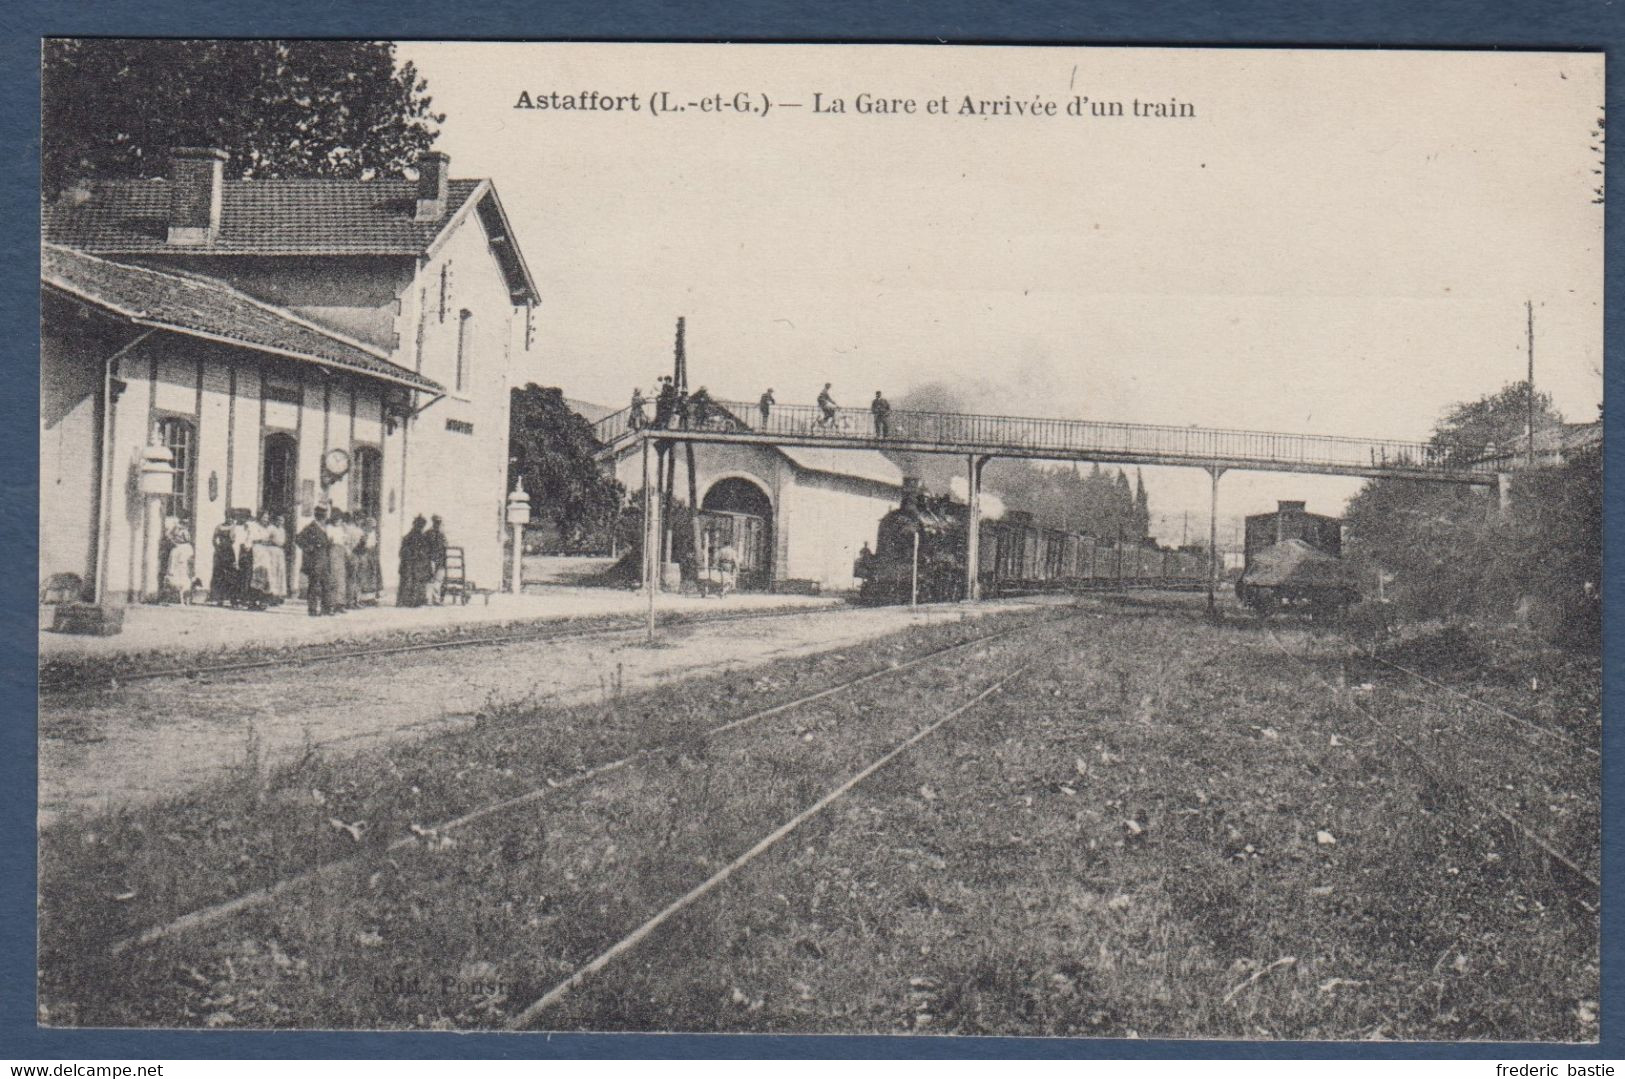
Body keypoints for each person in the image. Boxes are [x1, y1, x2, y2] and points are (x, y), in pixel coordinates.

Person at [296, 508, 333, 617]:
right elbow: (298, 539)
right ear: (319, 516)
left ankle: (326, 608)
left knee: (326, 584)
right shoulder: (311, 527)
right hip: (315, 560)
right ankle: (312, 609)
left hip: (324, 559)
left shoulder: (323, 527)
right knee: (314, 585)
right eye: (323, 515)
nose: (325, 518)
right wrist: (309, 548)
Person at [250, 510, 287, 605]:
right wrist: (271, 542)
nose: (280, 522)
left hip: (279, 552)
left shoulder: (282, 529)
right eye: (278, 520)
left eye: (282, 520)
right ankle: (270, 596)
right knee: (271, 573)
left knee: (279, 573)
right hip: (270, 551)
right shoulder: (270, 528)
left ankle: (278, 595)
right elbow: (264, 539)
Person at [397, 515, 431, 607]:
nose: (421, 527)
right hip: (411, 563)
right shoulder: (412, 536)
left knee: (415, 581)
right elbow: (404, 551)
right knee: (410, 581)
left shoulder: (419, 536)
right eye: (420, 525)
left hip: (415, 563)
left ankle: (414, 600)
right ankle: (409, 601)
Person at [324, 507, 350, 614]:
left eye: (340, 519)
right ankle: (331, 604)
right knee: (333, 579)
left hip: (341, 552)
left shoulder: (342, 528)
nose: (339, 521)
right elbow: (330, 540)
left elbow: (346, 541)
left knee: (341, 579)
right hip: (333, 551)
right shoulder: (329, 527)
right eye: (337, 518)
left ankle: (340, 604)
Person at [209, 519, 239, 606]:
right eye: (227, 516)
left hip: (229, 551)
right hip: (220, 551)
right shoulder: (219, 526)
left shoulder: (234, 527)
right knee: (219, 574)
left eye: (231, 517)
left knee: (231, 574)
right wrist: (217, 547)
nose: (229, 519)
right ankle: (219, 598)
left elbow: (234, 539)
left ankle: (232, 598)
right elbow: (214, 539)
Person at [165, 525, 195, 604]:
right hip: (176, 567)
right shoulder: (176, 548)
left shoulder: (187, 547)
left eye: (180, 537)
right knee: (174, 581)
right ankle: (176, 599)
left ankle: (185, 600)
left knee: (184, 582)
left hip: (183, 567)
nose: (178, 538)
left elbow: (189, 560)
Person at [425, 514, 449, 604]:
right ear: (433, 522)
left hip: (440, 560)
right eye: (436, 522)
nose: (438, 524)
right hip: (430, 559)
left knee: (438, 580)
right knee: (429, 579)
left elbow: (446, 545)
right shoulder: (428, 533)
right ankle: (428, 599)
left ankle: (436, 599)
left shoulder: (442, 534)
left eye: (439, 522)